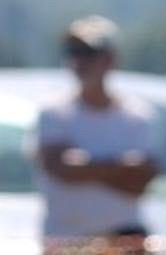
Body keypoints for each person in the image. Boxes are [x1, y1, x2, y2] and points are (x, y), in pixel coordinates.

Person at [31, 16, 159, 242]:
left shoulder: (138, 115)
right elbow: (60, 168)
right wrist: (121, 167)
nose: (80, 61)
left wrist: (86, 166)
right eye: (73, 52)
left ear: (110, 59)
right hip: (65, 242)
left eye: (89, 53)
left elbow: (141, 181)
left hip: (124, 241)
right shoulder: (52, 113)